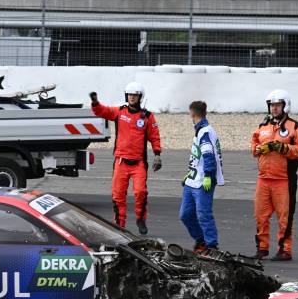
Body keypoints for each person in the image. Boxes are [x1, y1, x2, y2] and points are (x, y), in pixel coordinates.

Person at [89, 82, 162, 234]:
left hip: (139, 163)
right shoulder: (119, 112)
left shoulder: (148, 116)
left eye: (134, 95)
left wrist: (157, 155)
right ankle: (119, 225)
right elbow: (102, 111)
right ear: (126, 96)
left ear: (140, 97)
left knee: (140, 192)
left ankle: (141, 219)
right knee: (118, 195)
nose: (132, 97)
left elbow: (154, 137)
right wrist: (95, 103)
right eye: (129, 95)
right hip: (121, 161)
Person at [250, 89, 298, 261]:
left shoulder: (295, 126)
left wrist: (283, 148)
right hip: (264, 179)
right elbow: (253, 142)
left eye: (277, 105)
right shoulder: (263, 125)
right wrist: (257, 149)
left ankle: (285, 250)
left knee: (284, 217)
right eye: (272, 105)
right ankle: (262, 248)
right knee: (260, 215)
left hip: (284, 180)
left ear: (285, 106)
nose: (274, 108)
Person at [179, 101, 224, 253]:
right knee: (185, 215)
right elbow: (198, 156)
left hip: (202, 182)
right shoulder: (201, 130)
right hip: (192, 180)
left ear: (192, 114)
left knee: (204, 214)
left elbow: (208, 155)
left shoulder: (205, 132)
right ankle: (201, 240)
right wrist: (190, 173)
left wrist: (208, 176)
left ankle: (211, 246)